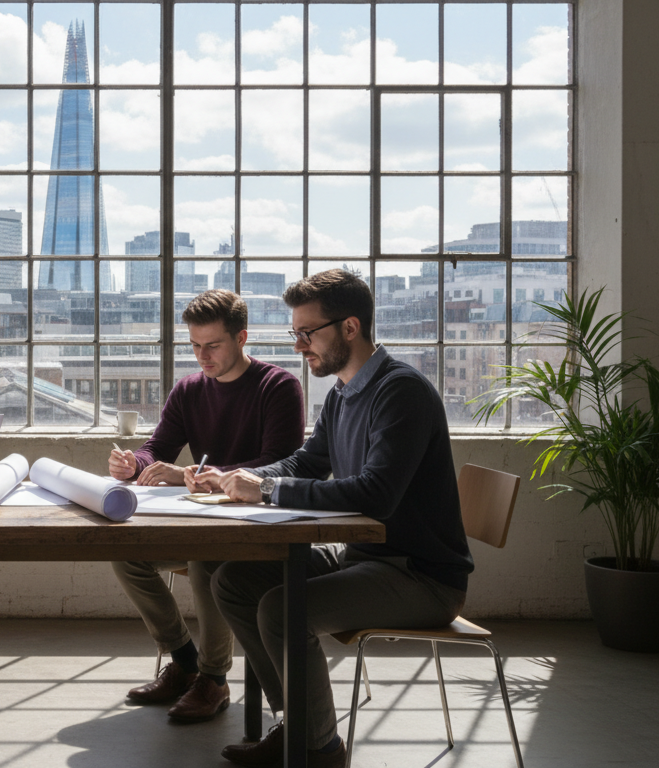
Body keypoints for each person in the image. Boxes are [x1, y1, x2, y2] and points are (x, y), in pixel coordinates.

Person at [195, 269, 473, 768]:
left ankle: (320, 752)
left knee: (282, 610)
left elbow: (377, 494)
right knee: (234, 582)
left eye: (308, 333)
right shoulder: (343, 393)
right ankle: (298, 726)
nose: (300, 345)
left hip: (420, 575)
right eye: (294, 334)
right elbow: (307, 460)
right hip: (362, 558)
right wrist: (238, 477)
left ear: (350, 328)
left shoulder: (400, 392)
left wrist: (271, 489)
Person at [107, 289, 304, 722]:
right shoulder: (190, 390)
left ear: (241, 338)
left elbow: (279, 465)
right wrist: (132, 463)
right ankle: (183, 660)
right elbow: (158, 446)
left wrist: (200, 475)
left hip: (260, 524)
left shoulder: (279, 387)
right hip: (205, 514)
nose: (202, 356)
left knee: (205, 553)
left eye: (212, 345)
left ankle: (214, 679)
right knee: (124, 549)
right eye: (194, 345)